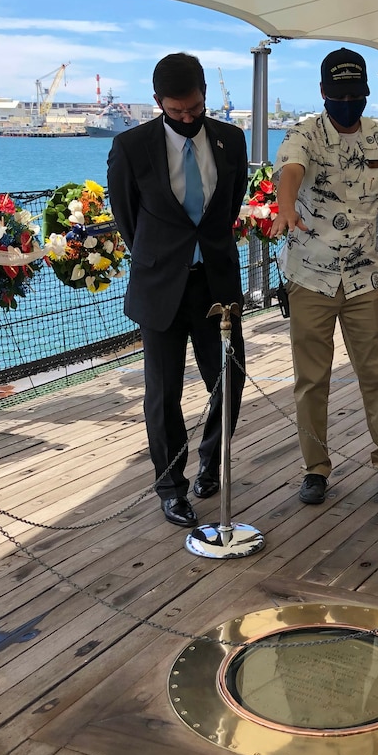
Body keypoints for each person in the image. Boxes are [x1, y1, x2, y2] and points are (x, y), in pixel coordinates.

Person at [107, 53, 248, 527]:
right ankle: (171, 486)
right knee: (162, 395)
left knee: (228, 382)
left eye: (195, 108)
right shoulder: (131, 147)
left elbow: (230, 205)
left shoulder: (231, 139)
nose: (188, 118)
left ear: (205, 96)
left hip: (217, 283)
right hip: (160, 287)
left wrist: (206, 249)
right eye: (177, 111)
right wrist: (166, 257)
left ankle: (211, 463)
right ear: (157, 102)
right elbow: (129, 220)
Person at [268, 47, 378, 505]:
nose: (348, 103)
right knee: (311, 379)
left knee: (377, 372)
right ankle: (315, 469)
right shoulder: (304, 133)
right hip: (309, 277)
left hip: (363, 277)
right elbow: (290, 170)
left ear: (366, 95)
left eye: (356, 95)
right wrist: (286, 206)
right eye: (340, 94)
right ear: (323, 93)